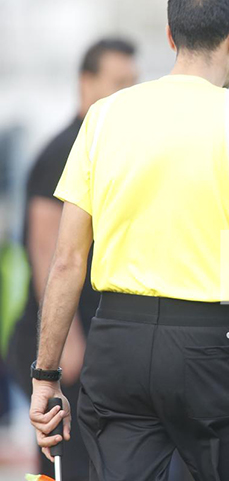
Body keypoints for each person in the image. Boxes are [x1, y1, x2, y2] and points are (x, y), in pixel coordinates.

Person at [28, 0, 229, 481]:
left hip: (118, 344)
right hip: (214, 348)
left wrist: (45, 375)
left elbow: (66, 260)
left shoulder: (103, 118)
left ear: (171, 37)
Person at [8, 37, 137, 481]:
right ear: (86, 83)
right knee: (62, 465)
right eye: (117, 82)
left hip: (91, 336)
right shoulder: (64, 149)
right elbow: (47, 252)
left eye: (133, 84)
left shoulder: (108, 145)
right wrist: (65, 343)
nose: (126, 94)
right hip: (59, 338)